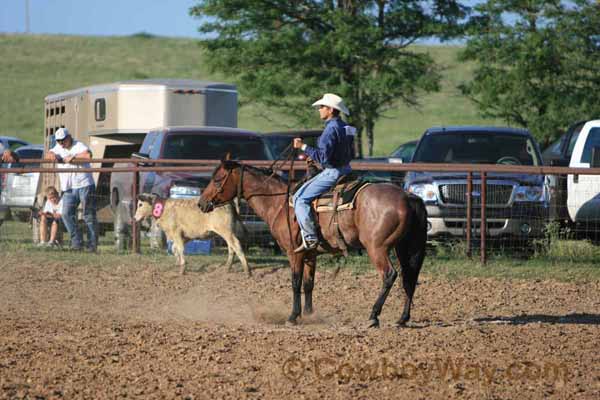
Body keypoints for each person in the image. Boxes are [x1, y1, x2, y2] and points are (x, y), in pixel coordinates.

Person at [292, 93, 356, 252]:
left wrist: (303, 147)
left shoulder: (330, 129)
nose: (319, 110)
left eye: (322, 107)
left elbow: (323, 156)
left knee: (299, 198)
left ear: (331, 110)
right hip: (347, 169)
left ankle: (310, 237)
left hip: (333, 172)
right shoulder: (346, 128)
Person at [46, 128, 98, 252]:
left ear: (69, 137)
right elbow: (48, 154)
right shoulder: (58, 147)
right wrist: (52, 155)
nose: (61, 143)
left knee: (89, 215)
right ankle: (77, 242)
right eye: (59, 141)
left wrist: (73, 157)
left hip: (85, 185)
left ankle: (92, 245)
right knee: (66, 214)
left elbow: (88, 155)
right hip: (68, 188)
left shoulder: (79, 145)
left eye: (63, 140)